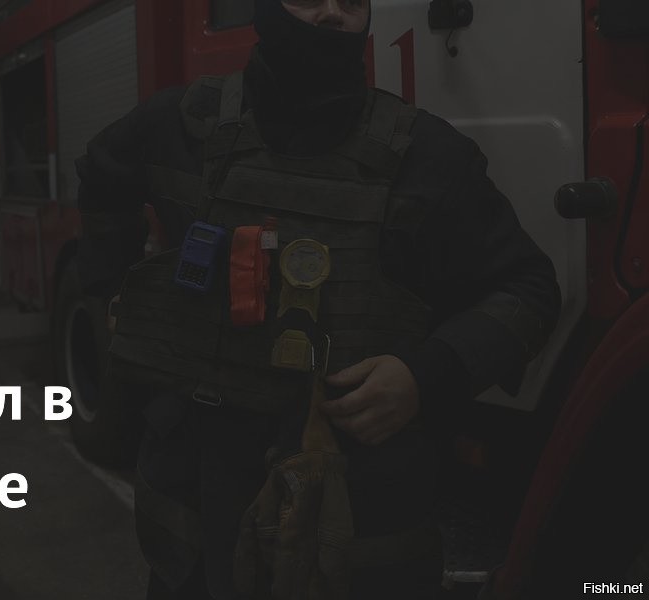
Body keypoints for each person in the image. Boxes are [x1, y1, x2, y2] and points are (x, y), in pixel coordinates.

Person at [75, 1, 561, 598]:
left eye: (351, 0)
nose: (332, 13)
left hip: (358, 522)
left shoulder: (428, 156)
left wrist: (425, 375)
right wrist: (119, 288)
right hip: (195, 514)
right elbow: (102, 176)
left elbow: (530, 290)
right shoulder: (180, 124)